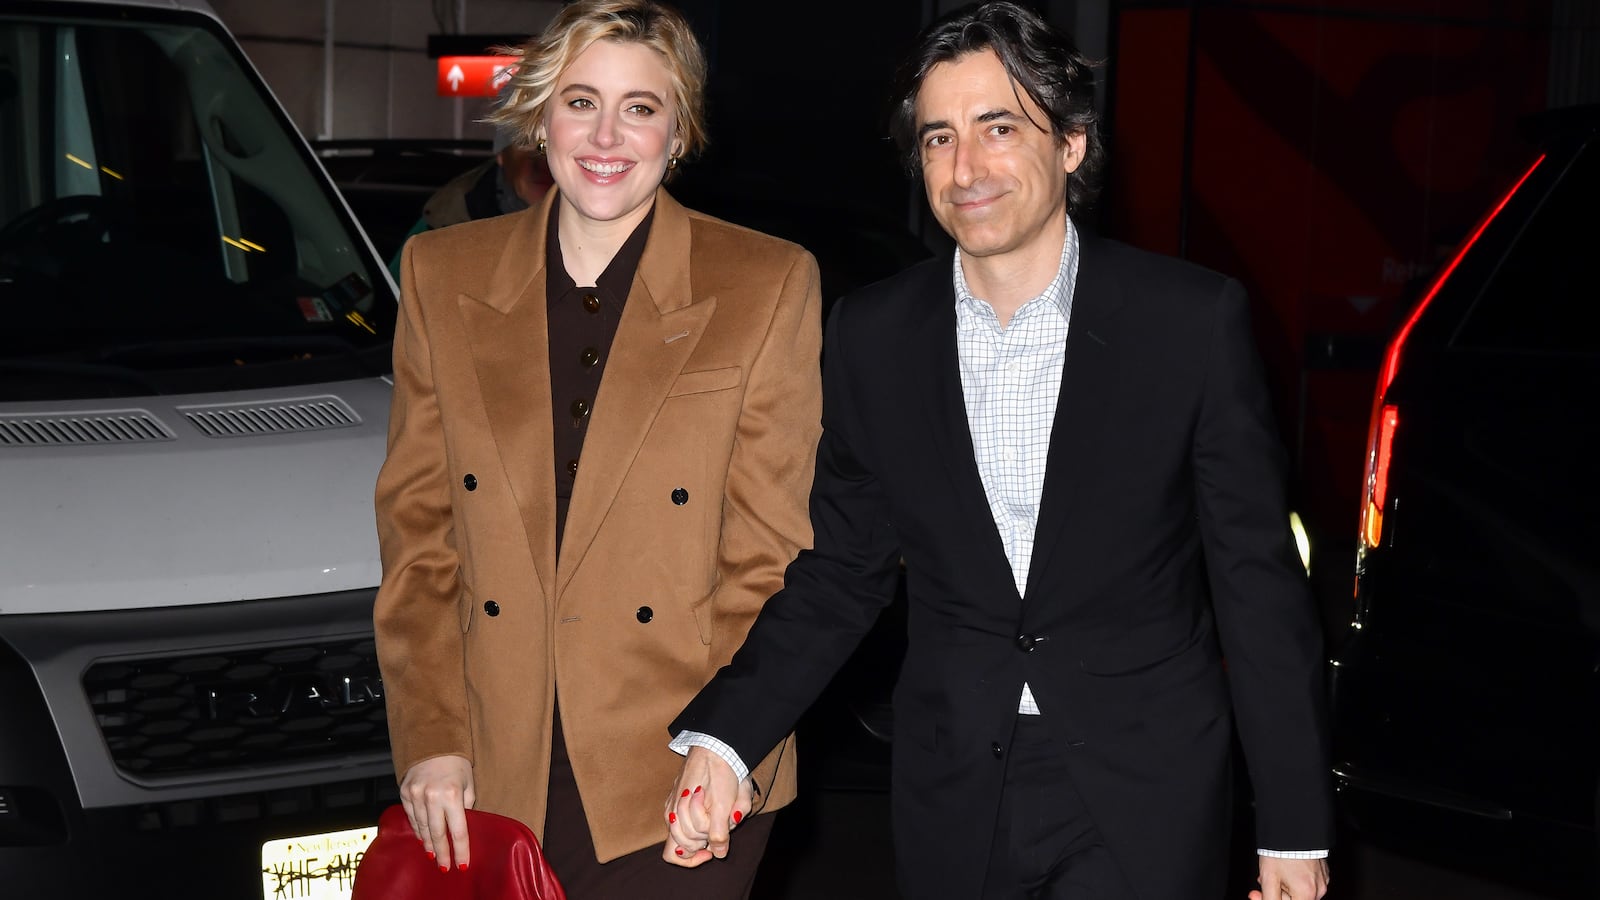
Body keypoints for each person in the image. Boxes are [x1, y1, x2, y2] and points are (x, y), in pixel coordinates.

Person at [661, 3, 1334, 899]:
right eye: (939, 137)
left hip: (1146, 788)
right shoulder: (874, 335)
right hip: (956, 787)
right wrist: (726, 738)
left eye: (999, 127)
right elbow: (842, 571)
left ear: (1073, 145)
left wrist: (1293, 823)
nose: (966, 167)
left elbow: (1256, 583)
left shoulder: (1190, 323)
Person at [372, 1, 822, 897]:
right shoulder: (442, 274)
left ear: (679, 128)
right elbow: (419, 534)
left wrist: (727, 742)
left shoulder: (765, 282)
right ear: (541, 117)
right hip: (495, 766)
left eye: (640, 107)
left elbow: (772, 556)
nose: (607, 134)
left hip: (682, 764)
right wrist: (432, 737)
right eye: (581, 101)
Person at [385, 101, 555, 283]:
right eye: (525, 141)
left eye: (552, 144)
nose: (541, 160)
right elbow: (392, 301)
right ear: (501, 155)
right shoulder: (442, 227)